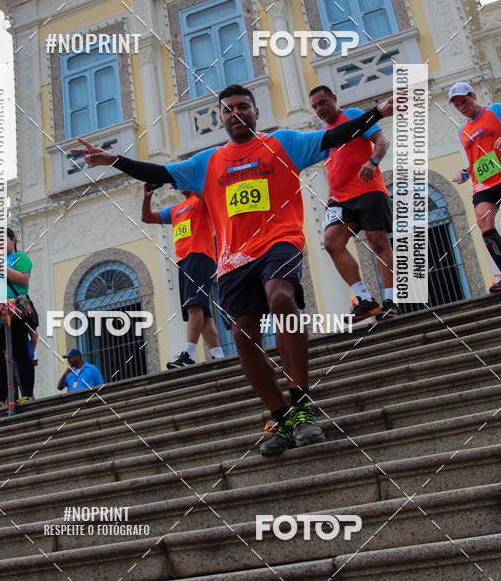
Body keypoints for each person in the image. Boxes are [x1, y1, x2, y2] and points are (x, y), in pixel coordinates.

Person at [73, 85, 394, 457]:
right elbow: (158, 171)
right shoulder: (207, 162)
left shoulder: (284, 143)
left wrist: (375, 114)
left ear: (256, 112)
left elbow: (334, 135)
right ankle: (282, 414)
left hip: (280, 242)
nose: (236, 113)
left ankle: (301, 401)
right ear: (221, 118)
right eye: (228, 110)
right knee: (243, 335)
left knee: (281, 297)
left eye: (243, 107)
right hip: (234, 260)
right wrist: (114, 160)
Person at [309, 85, 399, 321]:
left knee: (378, 242)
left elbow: (382, 140)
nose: (319, 109)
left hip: (368, 190)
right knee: (331, 242)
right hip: (339, 199)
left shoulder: (353, 116)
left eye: (322, 103)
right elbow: (332, 168)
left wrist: (373, 161)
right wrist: (329, 198)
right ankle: (364, 300)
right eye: (315, 107)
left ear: (334, 99)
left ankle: (391, 301)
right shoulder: (324, 134)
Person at [142, 184, 224, 368]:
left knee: (194, 306)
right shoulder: (176, 209)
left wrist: (186, 177)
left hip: (201, 256)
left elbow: (206, 194)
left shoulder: (201, 200)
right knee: (203, 312)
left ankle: (188, 355)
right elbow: (146, 218)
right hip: (183, 261)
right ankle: (218, 356)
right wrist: (147, 198)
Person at [450, 81, 501, 293]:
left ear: (473, 95)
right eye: (457, 106)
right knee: (484, 223)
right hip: (483, 183)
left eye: (464, 102)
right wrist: (465, 173)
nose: (462, 108)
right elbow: (477, 159)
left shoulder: (495, 110)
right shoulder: (463, 130)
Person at [0, 227, 35, 406]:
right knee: (0, 356)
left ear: (13, 239)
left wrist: (1, 266)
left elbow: (23, 279)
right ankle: (1, 399)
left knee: (21, 352)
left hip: (14, 310)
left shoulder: (21, 258)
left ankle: (27, 394)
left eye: (2, 240)